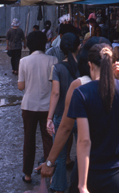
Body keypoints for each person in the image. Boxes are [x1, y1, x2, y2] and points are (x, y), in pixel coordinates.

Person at [37, 37, 119, 179]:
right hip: (118, 162)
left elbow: (66, 128)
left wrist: (50, 162)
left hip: (92, 160)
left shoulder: (80, 85)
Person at [67, 43, 119, 193]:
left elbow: (84, 140)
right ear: (112, 64)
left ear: (90, 65)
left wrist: (82, 185)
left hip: (90, 172)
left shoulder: (81, 94)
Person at [18, 31, 58, 184]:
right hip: (48, 107)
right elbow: (56, 85)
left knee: (29, 140)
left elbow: (21, 86)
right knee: (48, 139)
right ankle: (50, 172)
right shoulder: (53, 60)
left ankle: (27, 174)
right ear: (45, 43)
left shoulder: (24, 61)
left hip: (29, 106)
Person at [47, 33, 80, 193]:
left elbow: (55, 94)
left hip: (61, 116)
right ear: (78, 47)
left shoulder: (58, 68)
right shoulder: (85, 67)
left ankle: (59, 188)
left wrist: (49, 117)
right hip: (81, 117)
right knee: (82, 153)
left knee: (59, 156)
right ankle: (81, 186)